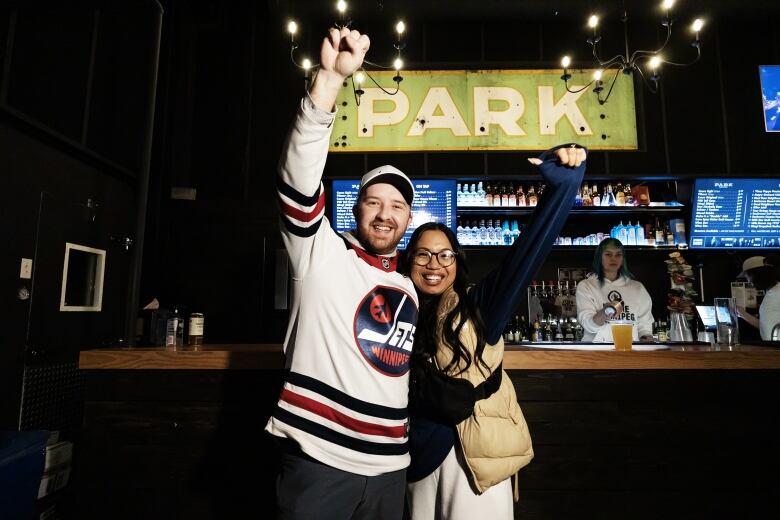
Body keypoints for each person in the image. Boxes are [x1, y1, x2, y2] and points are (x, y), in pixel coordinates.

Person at [265, 27, 420, 519]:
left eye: (397, 206)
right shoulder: (320, 252)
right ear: (355, 210)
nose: (384, 214)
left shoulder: (412, 284)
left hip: (392, 466)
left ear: (408, 219)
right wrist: (329, 81)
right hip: (319, 460)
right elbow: (299, 176)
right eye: (374, 202)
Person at [401, 145, 587, 519]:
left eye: (445, 254)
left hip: (474, 461)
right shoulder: (398, 312)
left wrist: (565, 185)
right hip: (417, 459)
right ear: (409, 262)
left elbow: (529, 252)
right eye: (422, 254)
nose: (434, 264)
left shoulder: (481, 305)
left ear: (458, 262)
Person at [576, 238, 654, 342]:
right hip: (596, 352)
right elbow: (588, 325)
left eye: (618, 255)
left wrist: (646, 340)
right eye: (608, 254)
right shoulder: (587, 285)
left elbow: (644, 326)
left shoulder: (637, 287)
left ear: (623, 259)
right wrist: (605, 312)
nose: (614, 259)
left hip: (629, 352)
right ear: (599, 258)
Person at [736, 255, 780, 341]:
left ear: (757, 273)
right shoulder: (770, 293)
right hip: (771, 350)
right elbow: (764, 326)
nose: (748, 281)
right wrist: (742, 314)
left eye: (748, 276)